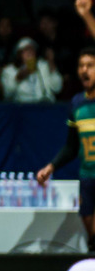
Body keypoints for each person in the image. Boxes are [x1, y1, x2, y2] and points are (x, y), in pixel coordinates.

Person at [36, 47, 95, 251]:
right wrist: (51, 167)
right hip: (87, 176)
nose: (84, 70)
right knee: (91, 233)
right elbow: (71, 146)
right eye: (81, 66)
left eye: (90, 65)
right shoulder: (76, 103)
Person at [1, 37, 61, 103]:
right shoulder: (9, 70)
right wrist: (18, 78)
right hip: (22, 108)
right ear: (19, 54)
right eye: (26, 50)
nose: (30, 52)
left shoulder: (44, 66)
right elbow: (7, 94)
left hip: (45, 106)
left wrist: (51, 64)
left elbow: (57, 88)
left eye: (32, 50)